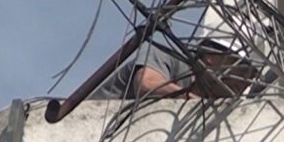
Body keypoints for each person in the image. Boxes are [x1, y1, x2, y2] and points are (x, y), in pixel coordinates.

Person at [95, 39, 259, 100]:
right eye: (244, 70)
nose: (247, 81)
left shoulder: (211, 99)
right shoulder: (165, 56)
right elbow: (147, 84)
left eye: (253, 75)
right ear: (212, 56)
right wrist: (193, 100)